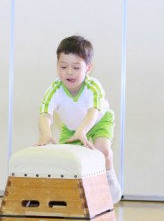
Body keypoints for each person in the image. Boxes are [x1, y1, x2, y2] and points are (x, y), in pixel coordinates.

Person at [37, 36, 122, 204]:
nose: (69, 72)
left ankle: (110, 179)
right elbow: (45, 114)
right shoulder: (55, 89)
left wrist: (82, 131)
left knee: (102, 150)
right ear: (57, 67)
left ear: (88, 68)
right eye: (63, 66)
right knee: (69, 161)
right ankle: (73, 197)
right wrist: (45, 134)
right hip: (71, 127)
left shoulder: (93, 87)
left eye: (76, 67)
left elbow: (93, 112)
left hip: (99, 121)